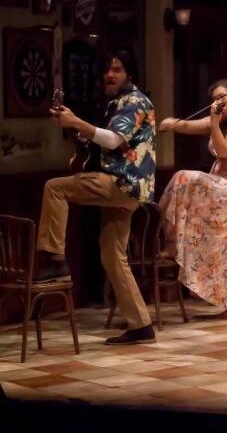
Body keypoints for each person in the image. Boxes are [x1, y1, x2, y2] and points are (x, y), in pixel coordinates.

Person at [38, 50, 157, 345]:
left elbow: (114, 140)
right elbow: (106, 141)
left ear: (130, 74)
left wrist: (76, 121)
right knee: (112, 253)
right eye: (107, 69)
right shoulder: (118, 103)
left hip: (122, 183)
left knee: (55, 187)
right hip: (126, 188)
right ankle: (141, 325)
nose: (109, 74)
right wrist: (76, 131)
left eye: (117, 69)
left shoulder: (134, 101)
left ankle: (54, 258)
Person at [156, 79, 227, 319]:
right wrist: (171, 123)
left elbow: (223, 151)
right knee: (222, 244)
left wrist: (213, 121)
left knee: (183, 178)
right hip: (221, 183)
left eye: (223, 96)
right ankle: (172, 238)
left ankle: (168, 239)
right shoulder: (221, 120)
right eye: (215, 98)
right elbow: (189, 125)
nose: (218, 102)